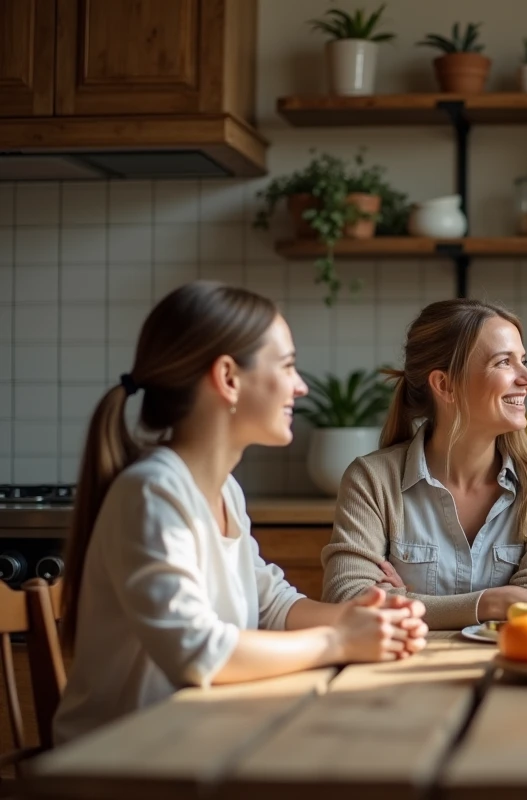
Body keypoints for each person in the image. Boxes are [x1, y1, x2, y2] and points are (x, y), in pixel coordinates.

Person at [55, 281, 428, 745]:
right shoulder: (151, 492)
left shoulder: (224, 490)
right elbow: (196, 651)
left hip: (191, 743)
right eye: (288, 365)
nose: (300, 386)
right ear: (228, 378)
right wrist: (339, 641)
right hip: (117, 763)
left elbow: (271, 605)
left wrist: (363, 615)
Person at [322, 299, 527, 630]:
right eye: (504, 362)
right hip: (402, 671)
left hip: (512, 667)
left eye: (524, 361)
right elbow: (348, 598)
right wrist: (492, 602)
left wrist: (401, 599)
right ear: (445, 385)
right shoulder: (372, 480)